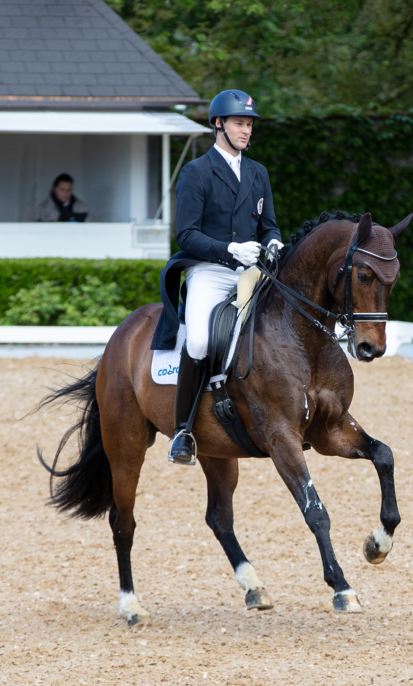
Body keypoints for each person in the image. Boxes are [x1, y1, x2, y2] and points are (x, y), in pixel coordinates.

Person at [153, 89, 283, 465]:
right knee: (198, 341)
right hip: (209, 271)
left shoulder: (258, 173)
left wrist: (271, 244)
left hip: (249, 272)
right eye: (240, 123)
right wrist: (228, 250)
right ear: (218, 124)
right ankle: (183, 431)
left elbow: (269, 226)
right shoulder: (196, 172)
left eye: (249, 125)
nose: (247, 131)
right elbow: (187, 234)